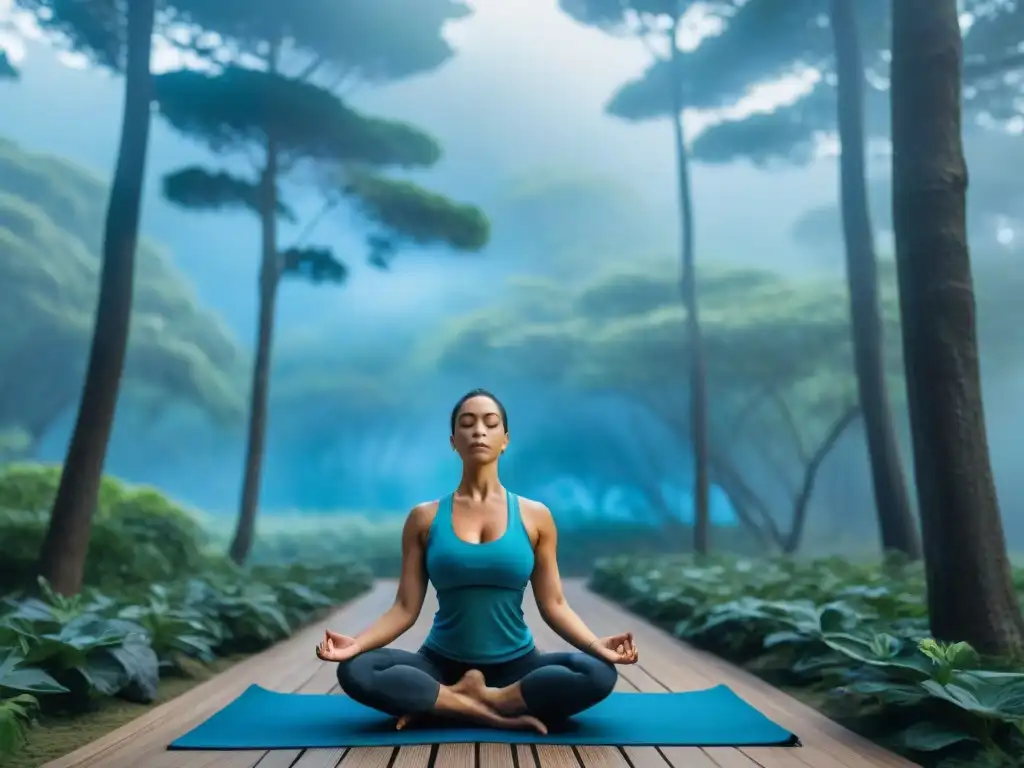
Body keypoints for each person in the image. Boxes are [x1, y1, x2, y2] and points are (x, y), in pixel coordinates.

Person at [315, 388, 639, 733]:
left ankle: (453, 704)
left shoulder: (535, 516)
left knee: (599, 671)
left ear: (505, 440)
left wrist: (595, 644)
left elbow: (555, 604)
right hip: (438, 665)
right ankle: (483, 705)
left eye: (490, 423)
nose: (479, 431)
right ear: (454, 441)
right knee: (355, 668)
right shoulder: (424, 518)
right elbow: (405, 608)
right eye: (467, 424)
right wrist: (357, 644)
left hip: (517, 667)